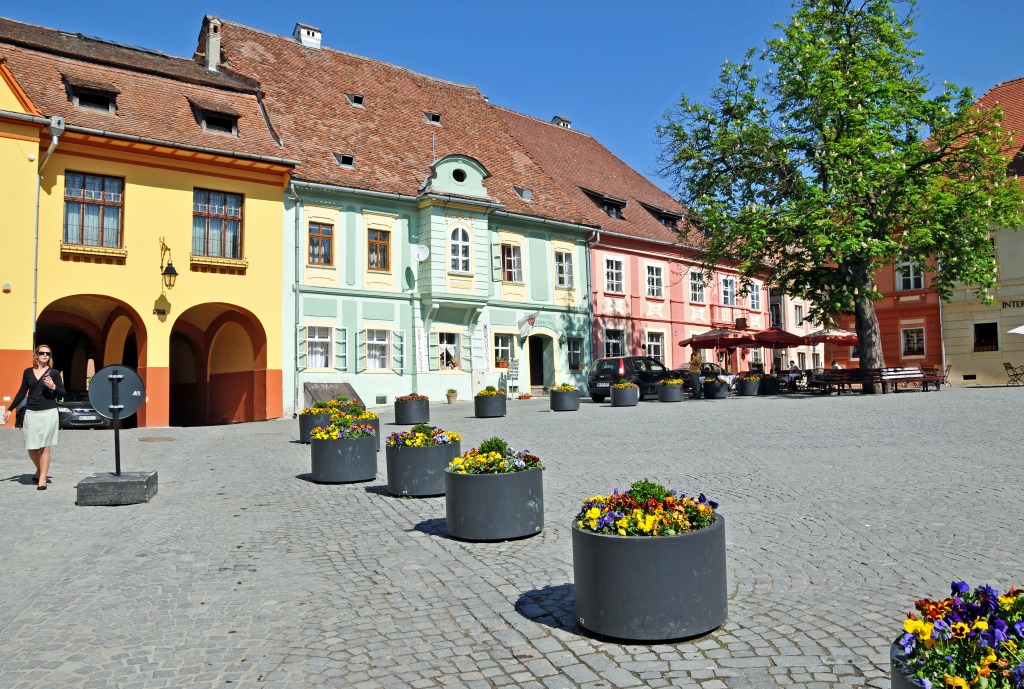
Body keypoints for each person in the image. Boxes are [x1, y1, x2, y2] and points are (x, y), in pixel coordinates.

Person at [3, 345, 65, 490]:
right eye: (41, 353)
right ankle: (39, 469)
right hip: (31, 412)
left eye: (48, 353)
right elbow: (22, 392)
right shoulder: (28, 372)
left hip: (48, 412)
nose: (45, 355)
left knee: (44, 447)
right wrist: (10, 409)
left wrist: (53, 387)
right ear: (36, 355)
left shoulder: (54, 373)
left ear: (50, 357)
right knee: (31, 447)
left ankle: (42, 478)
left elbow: (62, 393)